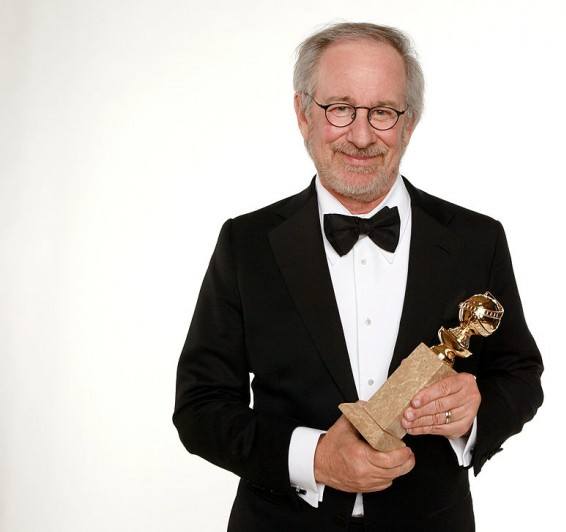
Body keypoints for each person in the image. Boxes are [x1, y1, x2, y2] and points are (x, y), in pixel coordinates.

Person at [173, 22, 543, 532]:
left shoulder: (477, 239)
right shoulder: (247, 244)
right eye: (340, 108)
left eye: (383, 112)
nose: (362, 135)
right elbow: (201, 408)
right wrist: (317, 457)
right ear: (304, 114)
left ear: (409, 123)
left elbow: (520, 376)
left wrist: (474, 415)